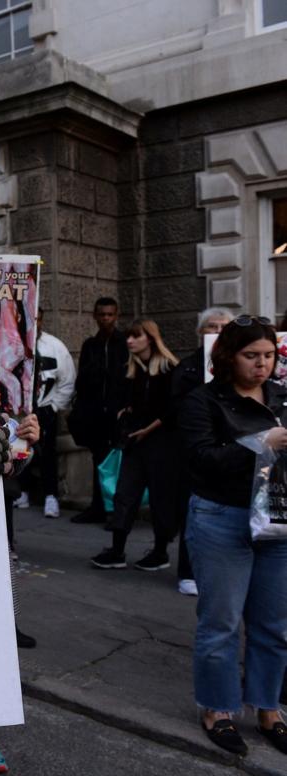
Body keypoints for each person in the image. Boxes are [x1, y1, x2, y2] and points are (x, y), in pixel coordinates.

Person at [178, 315, 287, 757]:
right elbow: (202, 459)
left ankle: (268, 709)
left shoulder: (281, 395)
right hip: (221, 516)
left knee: (274, 624)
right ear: (228, 356)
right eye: (251, 356)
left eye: (268, 356)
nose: (261, 365)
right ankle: (218, 710)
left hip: (277, 518)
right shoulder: (203, 400)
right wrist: (262, 443)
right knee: (220, 623)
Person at [90, 320, 179, 570]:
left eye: (135, 336)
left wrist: (148, 428)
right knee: (124, 495)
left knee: (162, 499)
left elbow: (174, 409)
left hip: (162, 446)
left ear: (150, 338)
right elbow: (126, 400)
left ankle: (160, 552)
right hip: (135, 444)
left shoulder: (170, 369)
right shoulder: (131, 369)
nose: (129, 340)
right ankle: (117, 550)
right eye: (129, 336)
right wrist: (124, 413)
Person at [170, 307, 234, 595]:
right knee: (193, 513)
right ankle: (188, 571)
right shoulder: (188, 367)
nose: (218, 332)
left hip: (233, 454)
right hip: (195, 454)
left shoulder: (241, 365)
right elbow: (179, 408)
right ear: (200, 332)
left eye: (224, 327)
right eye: (212, 327)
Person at [70, 298, 129, 525]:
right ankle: (98, 507)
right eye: (102, 314)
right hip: (95, 412)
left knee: (117, 462)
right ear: (95, 316)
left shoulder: (123, 343)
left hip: (116, 413)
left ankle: (115, 510)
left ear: (116, 316)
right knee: (98, 460)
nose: (106, 319)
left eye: (110, 314)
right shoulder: (90, 345)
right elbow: (83, 379)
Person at [14, 330, 75, 517]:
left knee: (48, 452)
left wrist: (54, 407)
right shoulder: (14, 341)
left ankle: (51, 496)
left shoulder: (54, 346)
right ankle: (21, 492)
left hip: (45, 407)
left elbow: (67, 379)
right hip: (20, 408)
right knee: (19, 449)